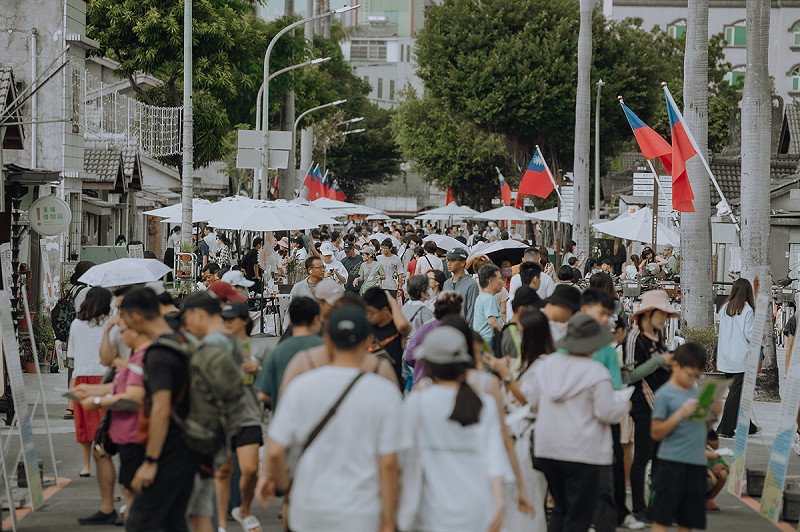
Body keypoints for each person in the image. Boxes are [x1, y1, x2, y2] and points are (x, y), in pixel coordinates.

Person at [261, 305, 406, 532]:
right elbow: (389, 463)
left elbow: (276, 451)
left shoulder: (301, 386)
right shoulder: (384, 391)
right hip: (361, 513)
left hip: (308, 511)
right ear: (368, 341)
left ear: (327, 340)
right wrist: (388, 519)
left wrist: (286, 487)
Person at [528, 313, 630, 532]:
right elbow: (606, 412)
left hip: (548, 449)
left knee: (561, 509)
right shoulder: (597, 373)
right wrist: (624, 406)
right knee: (579, 514)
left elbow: (533, 403)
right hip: (583, 452)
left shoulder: (546, 365)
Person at [402, 326, 506, 532]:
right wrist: (499, 501)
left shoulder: (417, 402)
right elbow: (494, 458)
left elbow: (405, 458)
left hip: (432, 513)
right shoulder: (484, 404)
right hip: (479, 511)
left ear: (428, 366)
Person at [120, 287, 201, 532]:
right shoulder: (180, 340)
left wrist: (151, 460)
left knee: (141, 522)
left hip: (169, 448)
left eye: (122, 316)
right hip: (189, 444)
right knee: (173, 521)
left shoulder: (159, 354)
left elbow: (161, 409)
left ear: (135, 317)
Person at [482, 308, 552, 532]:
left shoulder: (543, 364)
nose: (518, 336)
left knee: (530, 495)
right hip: (518, 435)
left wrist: (505, 374)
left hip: (529, 438)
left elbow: (527, 400)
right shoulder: (530, 362)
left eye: (521, 332)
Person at [74, 316, 147, 525]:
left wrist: (97, 400)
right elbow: (108, 366)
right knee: (103, 454)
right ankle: (113, 510)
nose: (121, 335)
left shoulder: (144, 357)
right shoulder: (135, 353)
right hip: (123, 425)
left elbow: (134, 396)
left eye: (124, 331)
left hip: (135, 429)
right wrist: (92, 390)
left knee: (131, 486)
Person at [650, 342, 723, 532]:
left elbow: (702, 431)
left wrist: (712, 417)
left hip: (696, 464)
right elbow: (655, 432)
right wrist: (679, 415)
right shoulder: (664, 394)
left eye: (697, 376)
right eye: (690, 375)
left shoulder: (698, 394)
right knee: (662, 518)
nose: (693, 380)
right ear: (675, 366)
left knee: (687, 521)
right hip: (671, 464)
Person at [624, 289, 678, 523]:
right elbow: (629, 375)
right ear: (648, 313)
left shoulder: (659, 336)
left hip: (662, 404)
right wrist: (658, 361)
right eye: (662, 314)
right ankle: (639, 508)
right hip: (643, 405)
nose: (665, 319)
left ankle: (657, 509)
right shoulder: (634, 337)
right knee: (643, 457)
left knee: (659, 459)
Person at [67, 287, 117, 525]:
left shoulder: (76, 324)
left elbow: (72, 354)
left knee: (83, 422)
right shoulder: (112, 324)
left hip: (82, 375)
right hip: (105, 377)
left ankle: (86, 466)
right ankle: (104, 459)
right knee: (103, 423)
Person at [216, 301, 264, 532]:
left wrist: (258, 370)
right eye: (224, 320)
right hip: (222, 416)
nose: (227, 324)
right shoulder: (216, 346)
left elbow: (268, 385)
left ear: (245, 320)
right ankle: (221, 524)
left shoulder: (259, 348)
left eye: (231, 319)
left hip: (249, 414)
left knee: (250, 469)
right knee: (223, 471)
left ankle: (244, 509)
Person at [255, 297, 323, 409]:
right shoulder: (326, 347)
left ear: (290, 321)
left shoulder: (277, 351)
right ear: (316, 319)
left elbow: (262, 395)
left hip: (284, 413)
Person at [716, 278, 760, 437]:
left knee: (736, 393)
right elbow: (750, 334)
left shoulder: (725, 308)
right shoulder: (747, 310)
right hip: (741, 358)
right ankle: (725, 428)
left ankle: (748, 426)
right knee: (735, 395)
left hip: (726, 356)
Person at [363, 287, 412, 388]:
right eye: (366, 312)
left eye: (372, 313)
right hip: (370, 385)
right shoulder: (367, 329)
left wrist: (392, 301)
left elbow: (403, 326)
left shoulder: (396, 328)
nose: (368, 316)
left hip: (393, 386)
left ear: (385, 309)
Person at [473, 264, 504, 347]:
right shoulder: (489, 299)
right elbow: (492, 322)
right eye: (500, 278)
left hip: (482, 341)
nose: (502, 281)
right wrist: (505, 336)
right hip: (490, 342)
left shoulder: (480, 297)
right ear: (491, 281)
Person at [401, 275, 435, 341]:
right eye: (429, 288)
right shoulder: (425, 311)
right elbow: (432, 333)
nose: (430, 290)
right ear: (422, 293)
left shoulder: (405, 307)